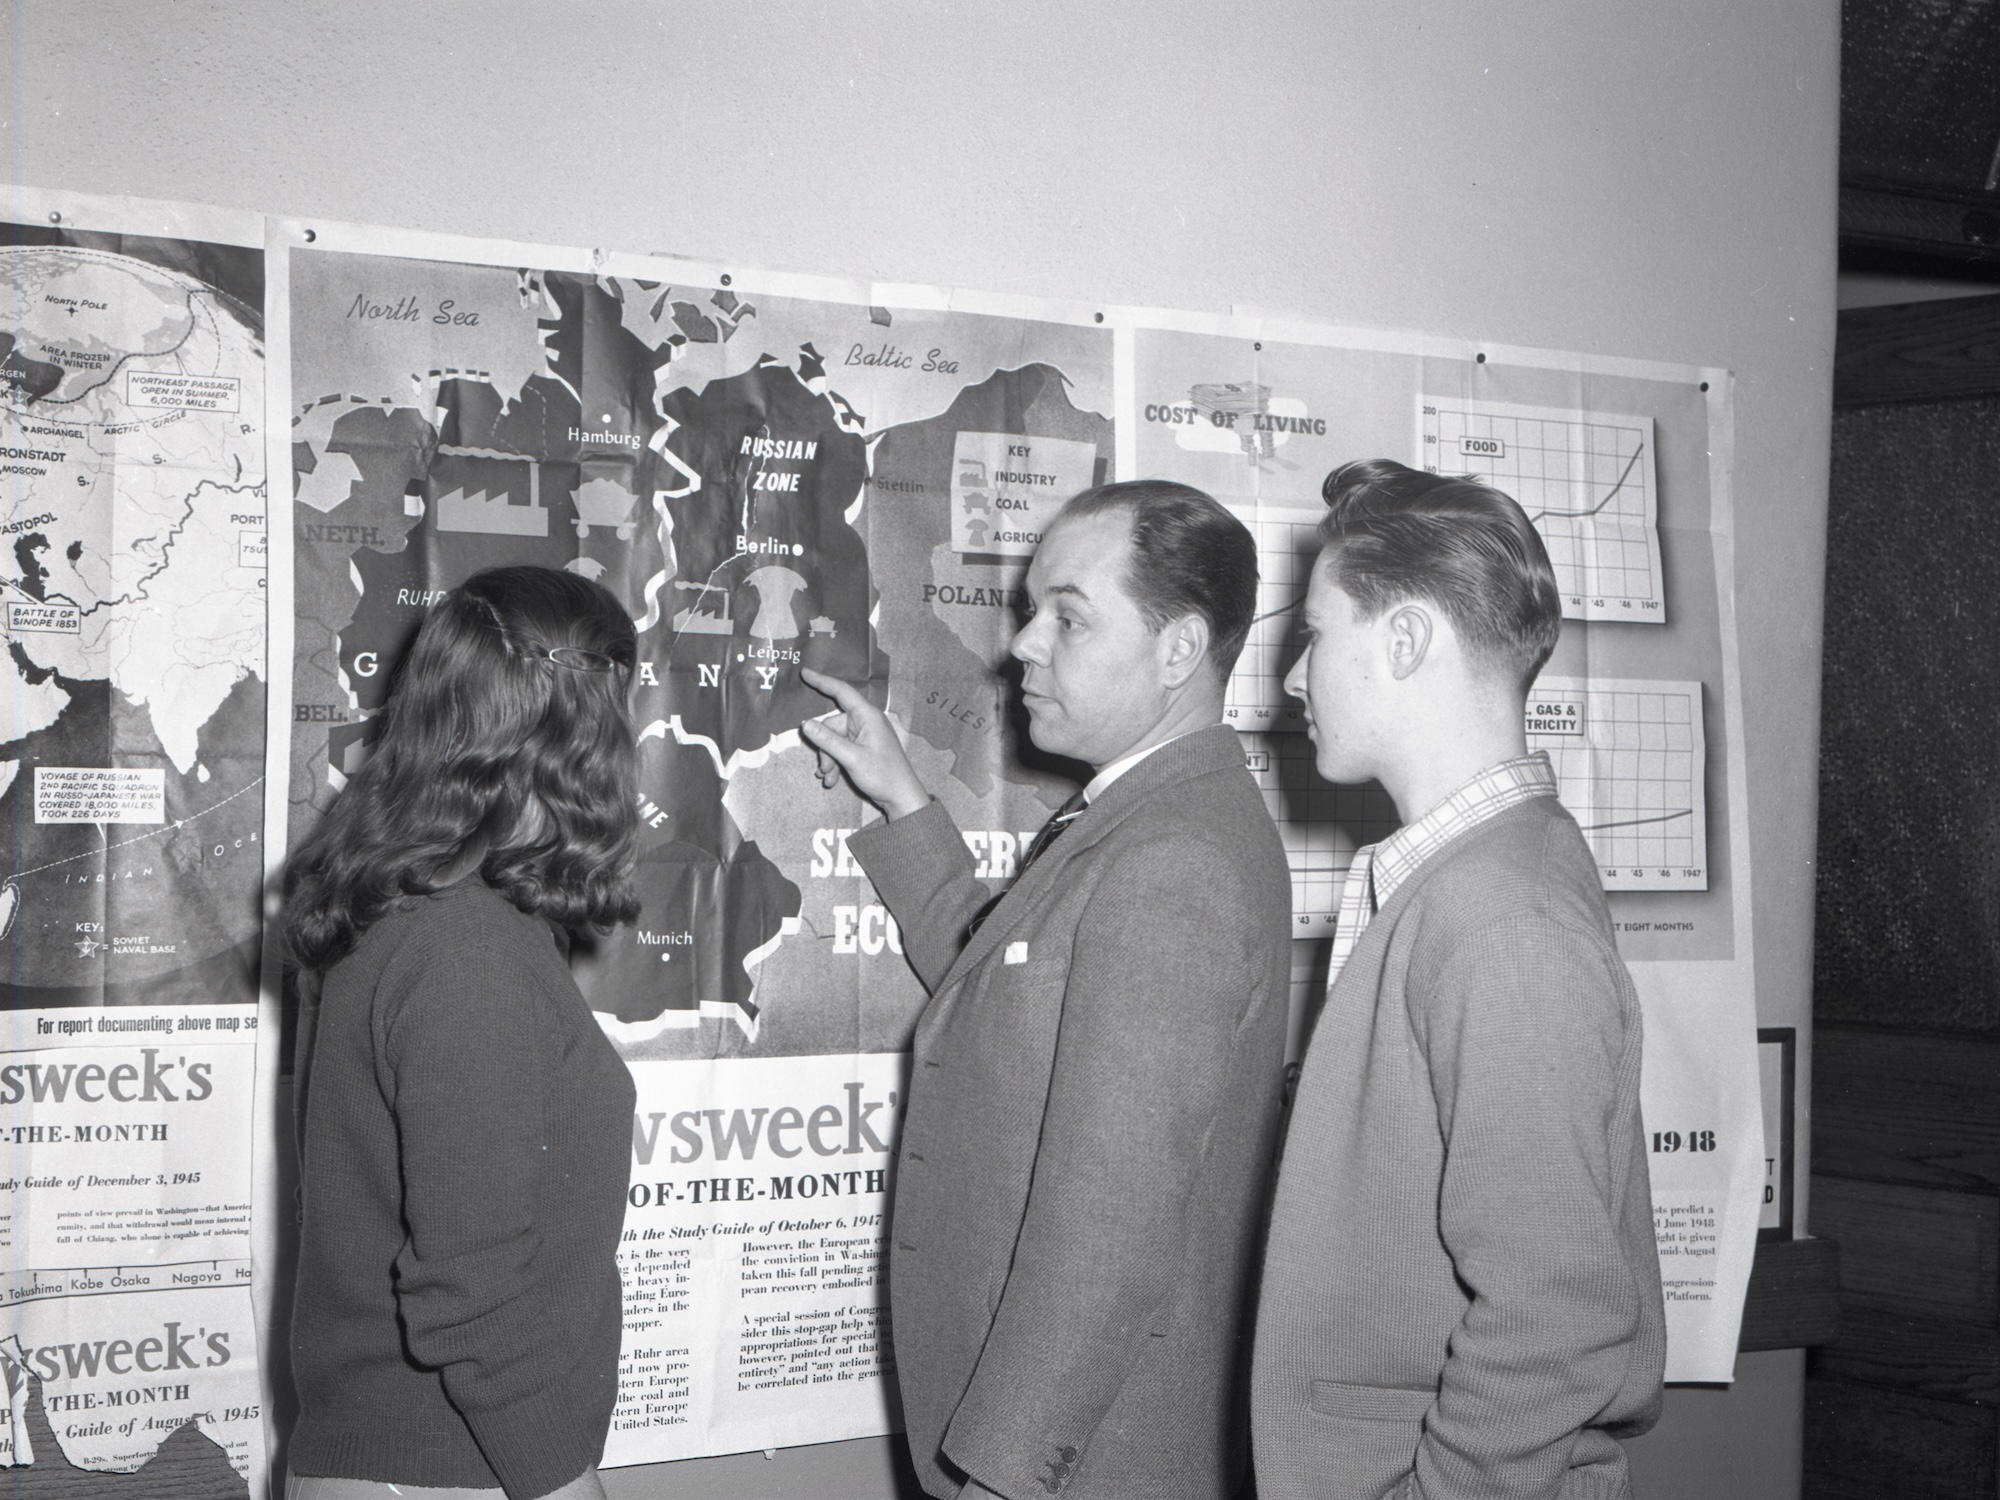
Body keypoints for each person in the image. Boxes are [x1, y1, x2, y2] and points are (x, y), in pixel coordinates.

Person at [800, 480, 1292, 1500]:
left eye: (1066, 616)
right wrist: (903, 799)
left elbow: (1106, 1238)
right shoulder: (1137, 815)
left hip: (1071, 1466)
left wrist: (1002, 1481)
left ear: (1175, 650)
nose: (1022, 644)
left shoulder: (1173, 859)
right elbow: (1005, 986)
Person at [1251, 460, 1666, 1500]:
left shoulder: (1497, 916)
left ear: (1403, 639)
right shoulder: (1469, 878)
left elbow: (1554, 1315)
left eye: (1315, 632)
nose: (1293, 678)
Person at [282, 566, 641, 1500]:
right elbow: (473, 1298)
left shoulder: (410, 902)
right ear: (592, 730)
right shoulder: (467, 951)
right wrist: (569, 1488)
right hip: (448, 1472)